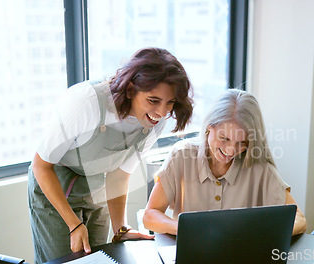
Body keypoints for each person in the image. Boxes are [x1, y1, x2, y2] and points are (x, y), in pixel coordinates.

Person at [28, 47, 194, 263]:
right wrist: (73, 223)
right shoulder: (86, 102)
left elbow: (119, 175)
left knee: (102, 258)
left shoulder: (155, 121)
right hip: (54, 185)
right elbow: (41, 165)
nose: (162, 113)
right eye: (153, 100)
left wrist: (121, 229)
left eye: (170, 102)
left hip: (97, 189)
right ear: (131, 89)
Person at [143, 89, 307, 236]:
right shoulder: (182, 156)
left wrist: (260, 234)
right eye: (224, 138)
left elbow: (299, 219)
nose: (230, 150)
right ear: (209, 128)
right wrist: (187, 229)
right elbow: (150, 215)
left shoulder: (259, 168)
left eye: (241, 142)